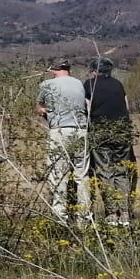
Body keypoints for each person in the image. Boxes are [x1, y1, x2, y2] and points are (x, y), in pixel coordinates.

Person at [36, 59, 90, 222]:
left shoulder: (47, 84)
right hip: (81, 130)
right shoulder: (79, 84)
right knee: (82, 174)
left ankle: (60, 216)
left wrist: (45, 111)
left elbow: (39, 108)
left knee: (59, 174)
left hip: (60, 130)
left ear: (53, 70)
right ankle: (85, 216)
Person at [84, 58, 136, 226]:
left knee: (105, 171)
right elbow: (126, 107)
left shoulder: (89, 85)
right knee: (122, 171)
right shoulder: (118, 85)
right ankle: (126, 213)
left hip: (101, 131)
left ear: (94, 71)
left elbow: (87, 108)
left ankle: (112, 213)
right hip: (122, 131)